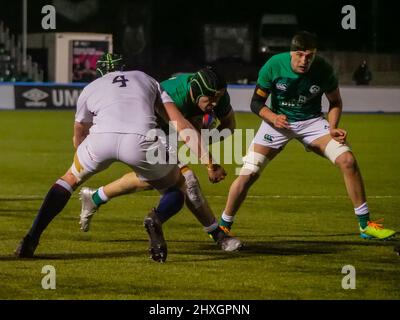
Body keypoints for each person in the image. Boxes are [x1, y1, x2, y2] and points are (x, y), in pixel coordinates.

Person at [15, 53, 230, 262]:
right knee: (177, 188)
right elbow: (180, 124)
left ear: (99, 73)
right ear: (122, 69)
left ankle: (31, 237)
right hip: (141, 139)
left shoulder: (90, 88)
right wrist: (209, 163)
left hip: (100, 140)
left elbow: (79, 133)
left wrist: (82, 161)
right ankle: (156, 218)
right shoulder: (146, 78)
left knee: (67, 180)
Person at [219, 31, 395, 240]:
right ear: (291, 53)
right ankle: (223, 227)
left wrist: (332, 127)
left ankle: (366, 226)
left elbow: (335, 102)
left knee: (347, 160)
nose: (304, 61)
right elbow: (256, 104)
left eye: (309, 56)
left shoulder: (324, 69)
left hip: (312, 123)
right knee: (248, 174)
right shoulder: (274, 64)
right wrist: (273, 118)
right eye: (300, 55)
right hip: (276, 123)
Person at [78, 66, 242, 251]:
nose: (215, 103)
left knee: (150, 180)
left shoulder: (216, 94)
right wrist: (209, 162)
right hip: (146, 128)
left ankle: (95, 197)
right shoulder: (174, 96)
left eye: (218, 98)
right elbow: (183, 130)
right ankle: (218, 235)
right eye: (211, 99)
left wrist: (202, 141)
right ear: (196, 93)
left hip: (171, 130)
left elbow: (228, 126)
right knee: (188, 180)